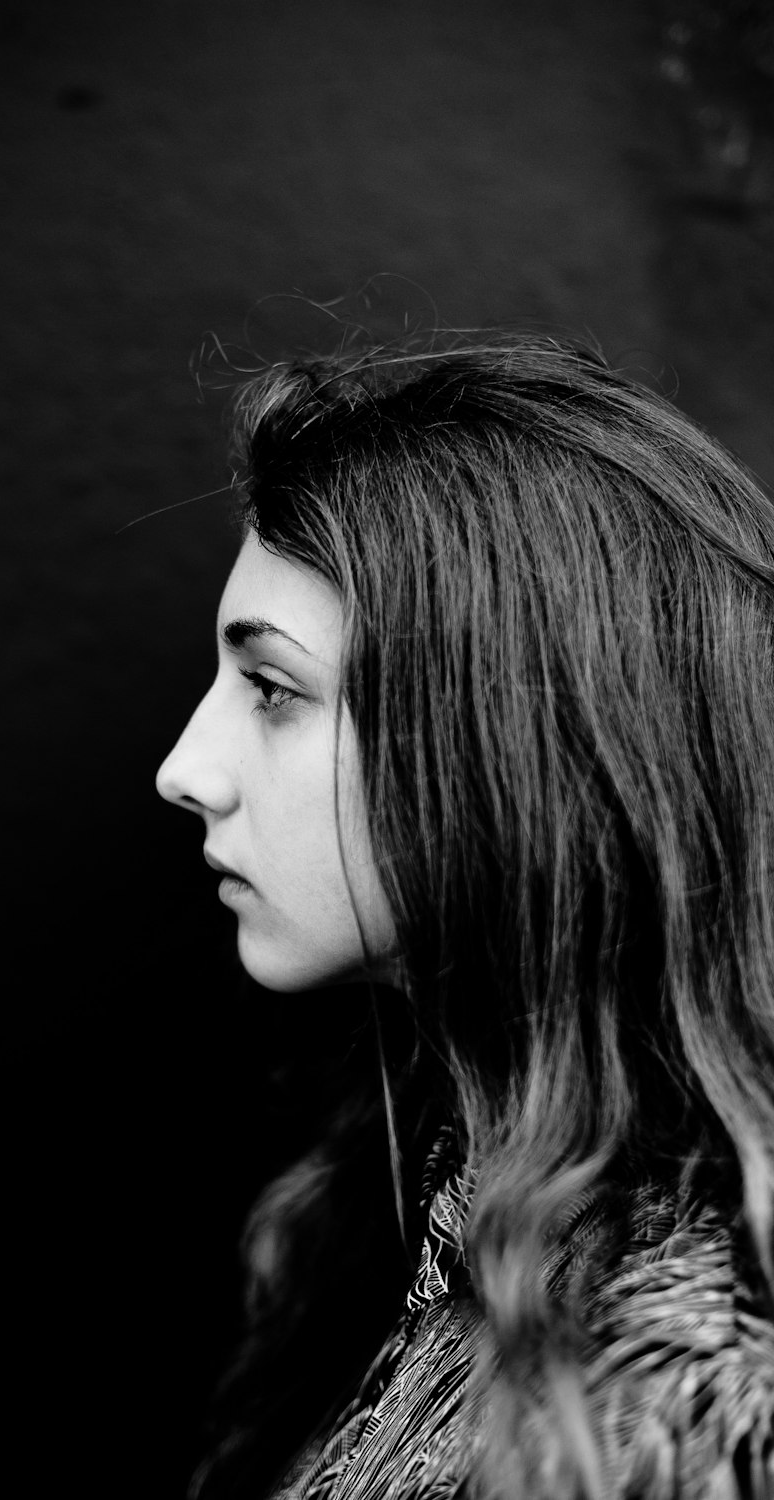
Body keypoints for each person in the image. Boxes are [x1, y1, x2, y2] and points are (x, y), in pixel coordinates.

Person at [156, 332, 774, 1500]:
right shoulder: (429, 1171)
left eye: (274, 690)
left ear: (512, 749)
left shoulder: (691, 1400)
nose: (186, 768)